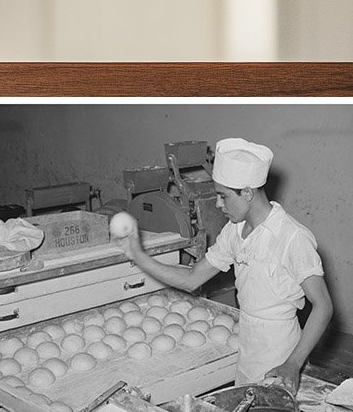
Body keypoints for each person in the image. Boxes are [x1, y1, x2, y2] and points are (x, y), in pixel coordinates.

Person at [117, 137, 333, 397]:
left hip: (279, 350)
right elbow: (192, 279)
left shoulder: (290, 237)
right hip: (247, 344)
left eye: (223, 196)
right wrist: (138, 255)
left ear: (248, 193)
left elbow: (323, 306)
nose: (218, 205)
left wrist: (293, 364)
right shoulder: (234, 231)